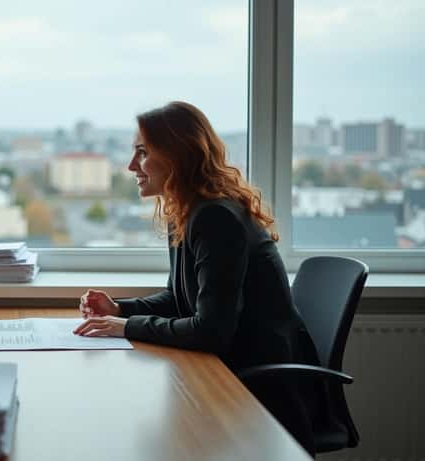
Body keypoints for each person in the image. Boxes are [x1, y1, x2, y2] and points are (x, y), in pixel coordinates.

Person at [73, 101, 322, 455]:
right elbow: (180, 299)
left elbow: (211, 331)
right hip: (227, 373)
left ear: (177, 155)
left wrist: (125, 327)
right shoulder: (188, 211)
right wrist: (120, 309)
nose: (131, 166)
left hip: (256, 391)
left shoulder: (215, 218)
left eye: (143, 153)